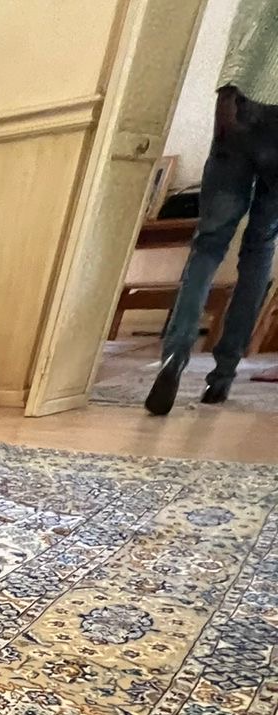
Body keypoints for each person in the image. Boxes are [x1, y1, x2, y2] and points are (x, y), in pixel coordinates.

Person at [146, 0, 278, 414]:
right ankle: (223, 376)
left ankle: (174, 356)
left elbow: (253, 22)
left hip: (250, 105)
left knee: (209, 244)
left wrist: (229, 89)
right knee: (260, 247)